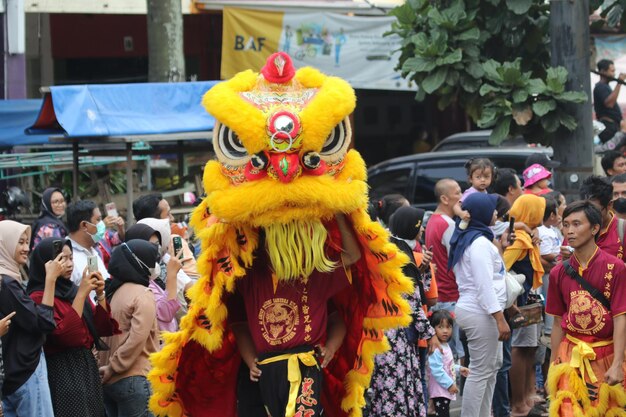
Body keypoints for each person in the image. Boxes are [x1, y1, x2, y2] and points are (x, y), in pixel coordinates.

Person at [226, 214, 359, 417]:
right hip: (266, 369)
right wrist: (251, 359)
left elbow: (352, 256)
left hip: (304, 365)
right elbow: (240, 325)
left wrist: (339, 214)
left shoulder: (313, 270)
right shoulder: (249, 275)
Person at [546, 200, 626, 416]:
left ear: (594, 228)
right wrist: (554, 363)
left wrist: (618, 363)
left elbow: (620, 318)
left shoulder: (616, 268)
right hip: (570, 353)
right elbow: (557, 321)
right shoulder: (558, 273)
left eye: (577, 224)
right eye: (566, 224)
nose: (570, 231)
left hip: (606, 354)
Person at [27, 238, 120, 417]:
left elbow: (101, 327)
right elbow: (65, 335)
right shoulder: (40, 297)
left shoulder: (72, 290)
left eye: (71, 258)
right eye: (62, 259)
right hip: (62, 370)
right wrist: (82, 293)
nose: (69, 264)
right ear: (47, 264)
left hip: (86, 365)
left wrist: (100, 295)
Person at [365, 206, 438, 417]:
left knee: (384, 390)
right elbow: (413, 301)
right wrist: (429, 334)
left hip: (379, 334)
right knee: (400, 388)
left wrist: (422, 270)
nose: (423, 229)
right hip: (397, 337)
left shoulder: (382, 251)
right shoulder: (401, 254)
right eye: (420, 225)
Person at [448, 192, 511, 417]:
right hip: (481, 312)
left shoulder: (472, 238)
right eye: (492, 209)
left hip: (479, 310)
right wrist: (500, 319)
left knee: (490, 370)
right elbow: (484, 286)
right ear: (483, 213)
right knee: (481, 373)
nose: (496, 213)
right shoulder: (479, 244)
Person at [0, 221, 58, 417]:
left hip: (11, 373)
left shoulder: (8, 279)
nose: (26, 248)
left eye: (27, 242)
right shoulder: (7, 284)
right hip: (25, 371)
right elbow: (43, 322)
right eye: (20, 242)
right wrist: (50, 280)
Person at [99, 240, 161, 417]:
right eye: (151, 262)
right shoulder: (143, 294)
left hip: (110, 382)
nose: (154, 267)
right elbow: (136, 339)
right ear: (139, 263)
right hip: (134, 377)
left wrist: (109, 368)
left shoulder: (114, 293)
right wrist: (114, 366)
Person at [503, 194, 546, 417]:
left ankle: (526, 397)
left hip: (526, 300)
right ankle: (518, 403)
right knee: (520, 349)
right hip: (516, 304)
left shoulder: (526, 236)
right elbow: (501, 268)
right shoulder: (518, 239)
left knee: (529, 348)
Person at [426, 179, 465, 361]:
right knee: (455, 354)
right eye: (457, 193)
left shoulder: (433, 221)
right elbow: (457, 261)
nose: (461, 196)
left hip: (438, 295)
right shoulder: (447, 224)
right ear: (444, 198)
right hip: (450, 295)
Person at [125, 224, 182, 333]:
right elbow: (165, 313)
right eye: (151, 246)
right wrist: (172, 275)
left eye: (157, 245)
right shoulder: (137, 283)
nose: (156, 251)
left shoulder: (147, 276)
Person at [133, 194, 198, 280]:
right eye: (168, 214)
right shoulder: (175, 241)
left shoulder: (175, 242)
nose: (172, 218)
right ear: (155, 221)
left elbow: (192, 277)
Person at [564, 175, 625, 261]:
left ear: (609, 205)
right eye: (585, 208)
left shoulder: (623, 230)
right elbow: (560, 270)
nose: (589, 214)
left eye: (595, 209)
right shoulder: (573, 229)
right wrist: (565, 259)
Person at [427, 310, 470, 417]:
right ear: (433, 328)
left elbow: (446, 365)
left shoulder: (445, 345)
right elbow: (436, 370)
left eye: (448, 327)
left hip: (444, 390)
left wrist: (459, 368)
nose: (445, 331)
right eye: (440, 327)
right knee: (443, 413)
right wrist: (450, 384)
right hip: (440, 390)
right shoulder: (436, 348)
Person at [66, 201, 110, 289]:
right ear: (84, 225)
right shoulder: (67, 257)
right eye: (98, 220)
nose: (102, 224)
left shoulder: (93, 250)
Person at [594, 59, 626, 143]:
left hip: (613, 126)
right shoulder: (600, 87)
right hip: (608, 127)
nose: (614, 74)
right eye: (612, 71)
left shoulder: (606, 87)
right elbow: (609, 104)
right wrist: (619, 82)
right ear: (603, 72)